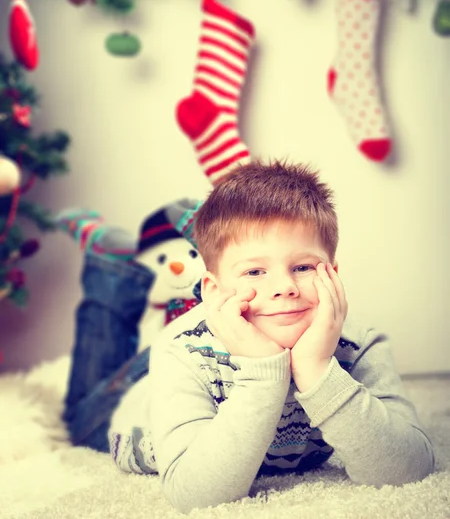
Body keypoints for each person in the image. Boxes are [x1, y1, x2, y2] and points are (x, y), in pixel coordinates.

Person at [107, 159, 435, 514]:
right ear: (213, 290)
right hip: (136, 416)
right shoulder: (181, 351)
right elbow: (194, 496)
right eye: (254, 271)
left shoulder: (360, 344)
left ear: (334, 275)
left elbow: (409, 470)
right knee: (81, 409)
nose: (284, 287)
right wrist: (262, 372)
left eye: (304, 267)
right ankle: (104, 270)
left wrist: (317, 371)